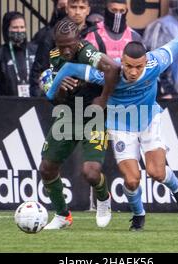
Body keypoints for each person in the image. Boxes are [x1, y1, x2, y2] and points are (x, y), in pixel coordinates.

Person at [46, 21, 178, 231]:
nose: (133, 72)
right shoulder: (109, 73)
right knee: (132, 181)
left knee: (156, 172)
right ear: (121, 62)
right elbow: (70, 67)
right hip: (120, 123)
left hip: (148, 118)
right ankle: (138, 215)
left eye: (138, 67)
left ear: (145, 62)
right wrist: (52, 92)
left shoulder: (156, 62)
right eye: (128, 66)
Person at [40, 18, 120, 230]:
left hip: (93, 116)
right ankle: (62, 215)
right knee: (47, 169)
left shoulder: (87, 52)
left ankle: (103, 199)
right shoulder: (54, 55)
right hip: (68, 114)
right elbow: (53, 97)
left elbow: (113, 68)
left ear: (78, 40)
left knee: (91, 173)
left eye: (70, 45)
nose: (66, 50)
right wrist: (60, 89)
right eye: (61, 45)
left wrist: (103, 99)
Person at [30, 0, 98, 96]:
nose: (77, 12)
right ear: (66, 9)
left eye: (82, 7)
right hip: (59, 98)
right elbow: (40, 70)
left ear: (88, 10)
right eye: (73, 7)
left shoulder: (96, 34)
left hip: (89, 97)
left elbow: (102, 68)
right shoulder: (52, 36)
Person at [0, 12, 36, 97]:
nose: (19, 30)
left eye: (22, 27)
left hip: (34, 102)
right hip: (9, 105)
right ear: (7, 29)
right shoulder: (0, 54)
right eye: (15, 27)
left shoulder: (35, 51)